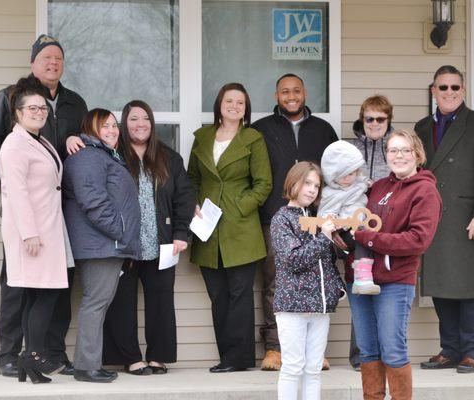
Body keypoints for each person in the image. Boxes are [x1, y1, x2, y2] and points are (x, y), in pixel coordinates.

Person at [0, 34, 87, 377]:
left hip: (64, 210)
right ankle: (9, 355)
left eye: (58, 58)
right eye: (46, 58)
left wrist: (76, 139)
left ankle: (51, 353)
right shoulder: (11, 97)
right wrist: (17, 188)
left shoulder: (75, 103)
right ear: (33, 63)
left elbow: (84, 147)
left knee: (60, 282)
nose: (53, 63)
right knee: (17, 285)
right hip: (25, 212)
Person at [416, 65, 474, 374]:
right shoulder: (422, 127)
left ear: (463, 90)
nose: (449, 92)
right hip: (433, 219)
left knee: (471, 287)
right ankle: (450, 349)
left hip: (469, 219)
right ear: (434, 91)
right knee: (442, 286)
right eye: (443, 87)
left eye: (455, 87)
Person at [251, 73, 338, 371]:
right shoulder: (261, 130)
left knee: (318, 279)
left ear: (305, 93)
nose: (291, 96)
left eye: (296, 91)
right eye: (285, 91)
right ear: (276, 96)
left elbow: (336, 175)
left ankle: (314, 351)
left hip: (316, 219)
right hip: (276, 218)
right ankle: (275, 348)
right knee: (276, 281)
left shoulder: (323, 130)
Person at [346, 129, 442, 400]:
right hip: (360, 278)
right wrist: (343, 238)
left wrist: (370, 239)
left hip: (395, 281)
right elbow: (358, 224)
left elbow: (417, 241)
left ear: (417, 155)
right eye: (393, 150)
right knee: (368, 350)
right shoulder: (377, 187)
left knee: (392, 350)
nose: (398, 156)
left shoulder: (425, 191)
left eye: (405, 150)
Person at [103, 100, 195, 375]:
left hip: (162, 242)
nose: (140, 123)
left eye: (145, 118)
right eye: (133, 119)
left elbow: (185, 198)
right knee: (121, 302)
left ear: (152, 124)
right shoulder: (112, 156)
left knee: (161, 301)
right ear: (124, 124)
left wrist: (181, 233)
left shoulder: (169, 158)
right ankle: (130, 357)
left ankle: (158, 356)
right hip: (124, 244)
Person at [188, 82, 272, 373]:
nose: (234, 106)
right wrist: (194, 205)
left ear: (245, 107)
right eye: (229, 101)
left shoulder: (253, 138)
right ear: (219, 105)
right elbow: (192, 179)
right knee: (217, 295)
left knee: (240, 294)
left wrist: (240, 206)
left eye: (240, 102)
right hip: (207, 227)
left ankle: (238, 359)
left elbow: (264, 184)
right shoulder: (202, 137)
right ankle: (227, 357)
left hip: (242, 228)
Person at [0, 76, 70, 384]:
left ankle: (31, 358)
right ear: (18, 112)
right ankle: (32, 355)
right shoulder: (14, 145)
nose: (40, 112)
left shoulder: (39, 141)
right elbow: (17, 192)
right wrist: (29, 234)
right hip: (33, 235)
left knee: (41, 294)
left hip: (49, 230)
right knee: (45, 295)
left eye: (43, 107)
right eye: (33, 108)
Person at [62, 108, 141, 383]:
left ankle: (90, 364)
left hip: (107, 244)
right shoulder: (87, 157)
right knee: (95, 303)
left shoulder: (103, 155)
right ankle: (86, 367)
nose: (111, 130)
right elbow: (93, 200)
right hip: (101, 245)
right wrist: (119, 232)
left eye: (113, 125)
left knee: (98, 302)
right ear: (91, 129)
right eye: (104, 126)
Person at [271, 161, 346, 400]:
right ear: (293, 182)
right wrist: (324, 237)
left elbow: (326, 263)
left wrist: (336, 288)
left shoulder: (317, 218)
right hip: (292, 307)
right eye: (307, 183)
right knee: (292, 367)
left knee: (313, 369)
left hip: (320, 307)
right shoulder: (282, 218)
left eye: (317, 185)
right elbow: (293, 259)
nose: (313, 189)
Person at [348, 94, 395, 370]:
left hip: (389, 227)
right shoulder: (350, 148)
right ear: (362, 119)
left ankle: (387, 354)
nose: (374, 123)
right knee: (360, 286)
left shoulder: (397, 147)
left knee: (389, 288)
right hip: (358, 228)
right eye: (370, 118)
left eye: (380, 119)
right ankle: (361, 356)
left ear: (388, 120)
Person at [318, 140, 380, 295]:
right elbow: (324, 213)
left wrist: (368, 183)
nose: (347, 178)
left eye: (351, 173)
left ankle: (367, 275)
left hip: (362, 223)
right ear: (332, 175)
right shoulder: (330, 193)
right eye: (342, 175)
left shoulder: (358, 183)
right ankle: (362, 278)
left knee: (370, 236)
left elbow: (363, 181)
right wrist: (331, 220)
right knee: (362, 237)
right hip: (345, 230)